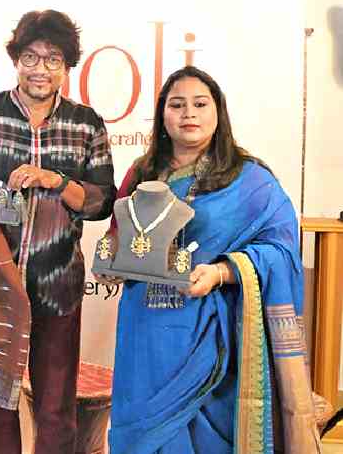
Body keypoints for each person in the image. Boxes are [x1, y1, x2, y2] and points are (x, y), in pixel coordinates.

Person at [101, 66, 321, 453]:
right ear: (162, 116)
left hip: (210, 331)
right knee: (140, 434)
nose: (189, 114)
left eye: (200, 104)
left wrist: (223, 271)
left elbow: (282, 249)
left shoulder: (249, 179)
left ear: (217, 112)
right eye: (177, 105)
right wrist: (110, 265)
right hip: (145, 333)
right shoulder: (142, 171)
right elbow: (119, 236)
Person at [0, 9, 117, 454]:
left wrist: (56, 182)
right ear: (15, 59)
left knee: (56, 406)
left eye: (52, 59)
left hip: (57, 283)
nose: (40, 69)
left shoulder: (86, 123)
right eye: (30, 57)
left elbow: (102, 202)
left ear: (67, 66)